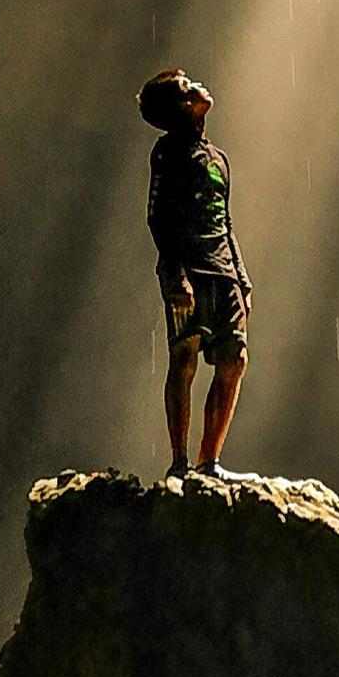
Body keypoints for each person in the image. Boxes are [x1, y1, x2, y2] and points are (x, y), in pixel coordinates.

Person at [140, 68, 252, 480]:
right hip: (188, 270)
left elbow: (225, 220)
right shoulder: (168, 153)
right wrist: (175, 276)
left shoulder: (218, 159)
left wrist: (241, 278)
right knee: (184, 359)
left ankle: (210, 463)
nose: (200, 86)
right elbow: (158, 220)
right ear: (182, 107)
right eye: (188, 88)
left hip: (223, 271)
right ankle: (179, 463)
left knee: (234, 359)